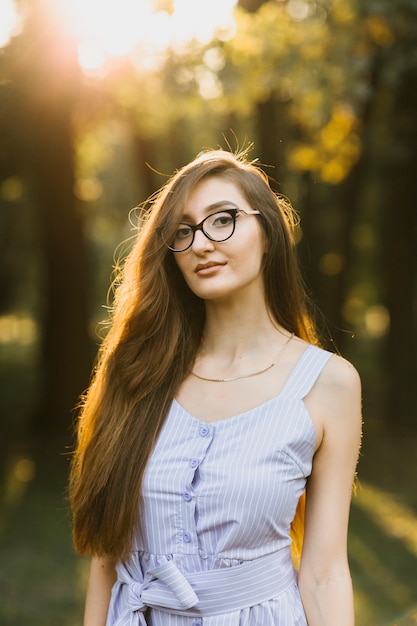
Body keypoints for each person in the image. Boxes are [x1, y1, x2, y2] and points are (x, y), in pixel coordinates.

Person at [69, 147, 362, 626]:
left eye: (222, 219)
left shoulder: (330, 384)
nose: (201, 243)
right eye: (182, 231)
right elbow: (106, 556)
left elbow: (325, 572)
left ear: (267, 231)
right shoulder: (136, 372)